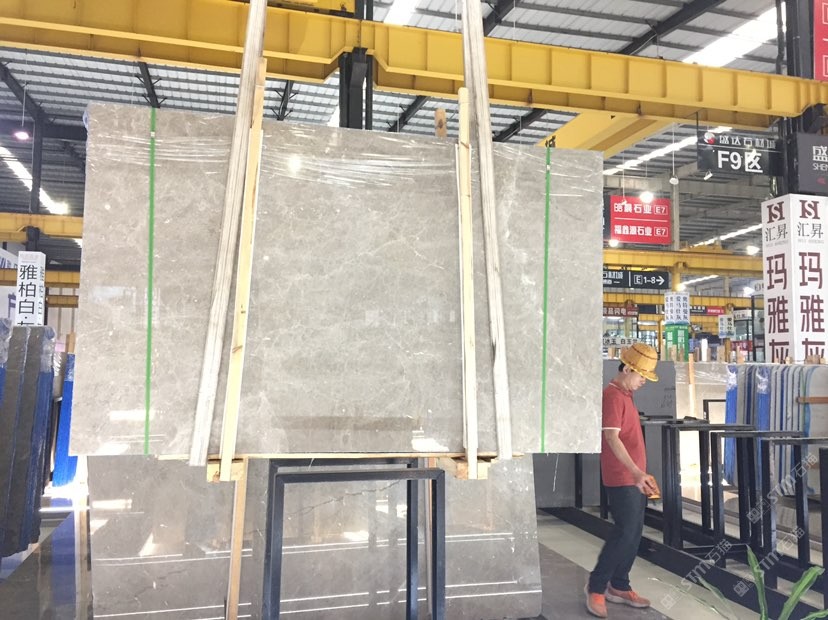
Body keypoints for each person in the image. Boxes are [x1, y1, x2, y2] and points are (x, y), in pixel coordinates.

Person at [585, 343, 659, 618]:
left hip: (635, 477)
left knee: (634, 532)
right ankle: (596, 586)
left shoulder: (626, 396)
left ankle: (619, 584)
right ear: (627, 369)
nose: (643, 381)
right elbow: (611, 437)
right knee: (624, 531)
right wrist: (636, 472)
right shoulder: (613, 397)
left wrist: (641, 473)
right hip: (622, 477)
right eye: (641, 375)